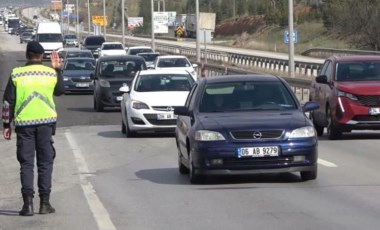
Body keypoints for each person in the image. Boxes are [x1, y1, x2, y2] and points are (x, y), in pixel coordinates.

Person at [2, 41, 64, 216]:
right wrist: (58, 69)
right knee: (45, 163)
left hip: (24, 126)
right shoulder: (50, 73)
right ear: (42, 56)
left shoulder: (16, 74)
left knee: (26, 164)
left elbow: (8, 102)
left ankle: (27, 205)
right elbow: (60, 91)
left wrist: (6, 125)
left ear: (27, 55)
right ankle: (45, 203)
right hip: (45, 125)